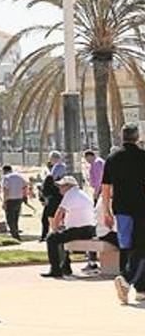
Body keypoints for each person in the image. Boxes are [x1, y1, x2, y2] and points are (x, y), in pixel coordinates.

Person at [102, 123, 145, 304]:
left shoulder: (113, 157)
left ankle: (135, 287)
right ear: (138, 137)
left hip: (120, 208)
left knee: (126, 247)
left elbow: (105, 187)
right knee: (141, 246)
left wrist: (106, 210)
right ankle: (130, 282)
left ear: (122, 137)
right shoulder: (143, 157)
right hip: (141, 208)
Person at [42, 176, 100, 277]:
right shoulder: (82, 194)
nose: (59, 188)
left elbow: (59, 213)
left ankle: (55, 270)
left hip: (79, 230)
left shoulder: (70, 194)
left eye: (61, 186)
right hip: (90, 229)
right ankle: (65, 267)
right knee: (62, 235)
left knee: (52, 238)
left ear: (68, 186)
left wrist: (54, 229)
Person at [0, 165, 27, 240]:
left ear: (4, 171)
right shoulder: (19, 176)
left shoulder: (6, 178)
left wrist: (4, 202)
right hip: (19, 199)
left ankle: (15, 236)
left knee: (10, 219)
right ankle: (16, 233)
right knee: (15, 218)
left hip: (10, 200)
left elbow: (6, 190)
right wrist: (24, 196)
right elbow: (25, 186)